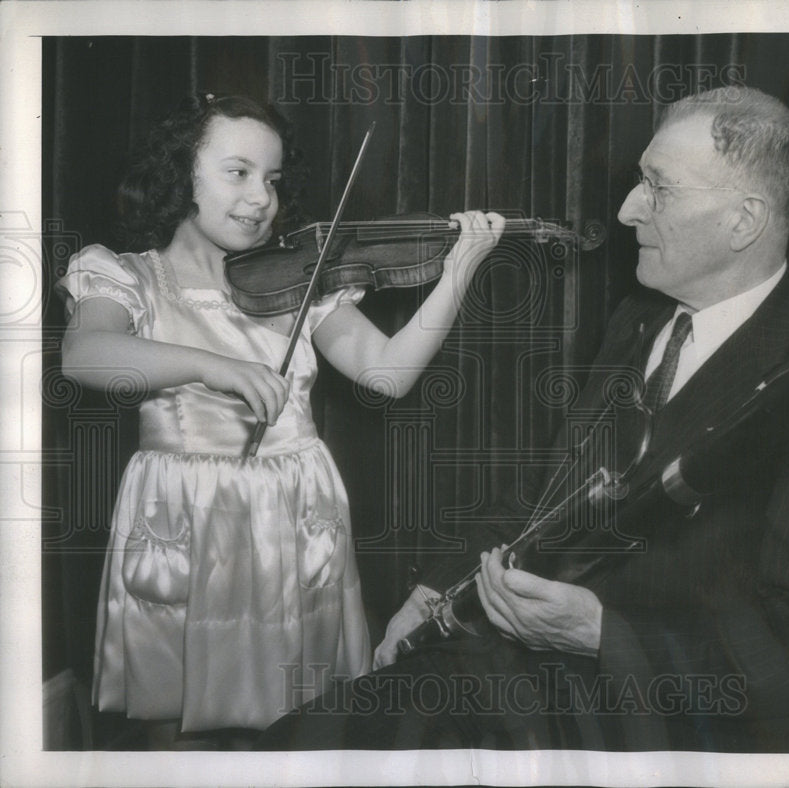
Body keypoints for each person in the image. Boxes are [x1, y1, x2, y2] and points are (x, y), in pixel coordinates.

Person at [257, 86, 789, 752]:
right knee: (295, 745)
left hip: (659, 723)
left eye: (658, 188)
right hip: (518, 675)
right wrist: (430, 590)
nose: (626, 212)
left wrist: (599, 630)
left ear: (744, 221)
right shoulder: (640, 322)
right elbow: (544, 494)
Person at [56, 94, 505, 747]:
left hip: (298, 510)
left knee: (302, 717)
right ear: (182, 173)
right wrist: (213, 365)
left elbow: (387, 372)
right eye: (236, 172)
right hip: (185, 516)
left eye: (270, 179)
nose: (261, 197)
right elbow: (83, 356)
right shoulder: (127, 277)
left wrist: (457, 275)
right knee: (173, 721)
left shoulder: (299, 279)